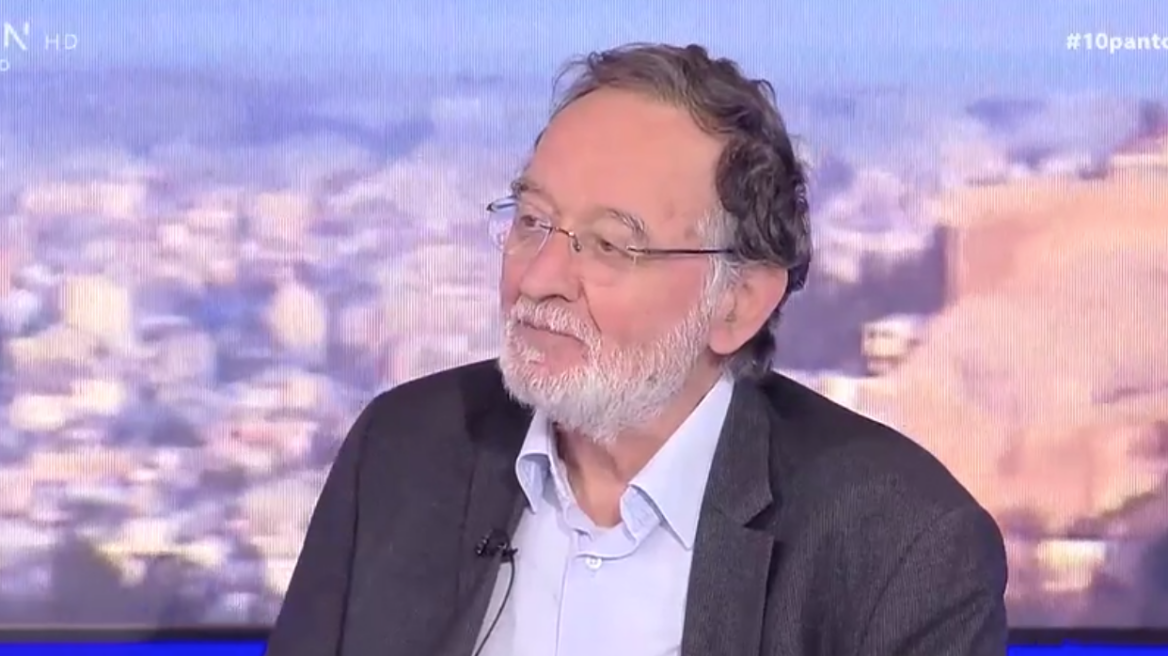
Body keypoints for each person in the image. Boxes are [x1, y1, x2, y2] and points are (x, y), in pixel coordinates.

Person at [265, 43, 1008, 656]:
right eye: (532, 221)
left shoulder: (900, 546)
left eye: (610, 245)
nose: (539, 278)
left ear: (737, 302)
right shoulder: (403, 453)